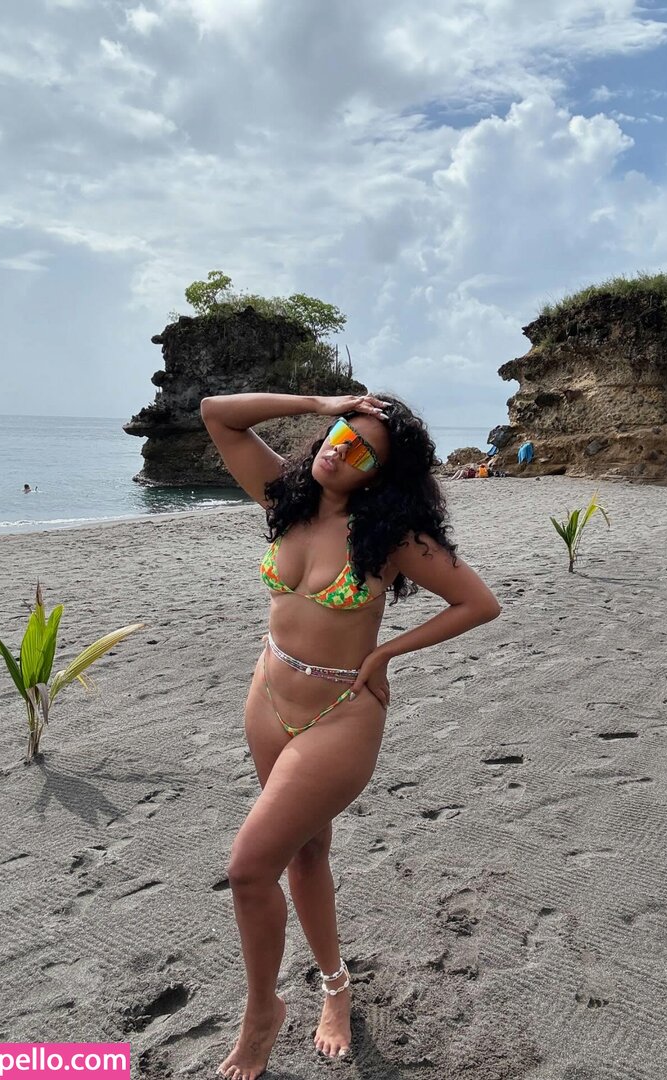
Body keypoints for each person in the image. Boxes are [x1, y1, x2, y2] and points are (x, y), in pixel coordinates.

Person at [200, 391, 501, 1080]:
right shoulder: (285, 496)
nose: (340, 450)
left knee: (248, 868)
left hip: (339, 713)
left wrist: (386, 652)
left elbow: (477, 603)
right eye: (340, 432)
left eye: (362, 449)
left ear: (382, 474)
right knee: (306, 854)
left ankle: (262, 1012)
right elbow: (218, 412)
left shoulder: (389, 535)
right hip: (267, 697)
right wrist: (319, 399)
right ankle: (336, 987)